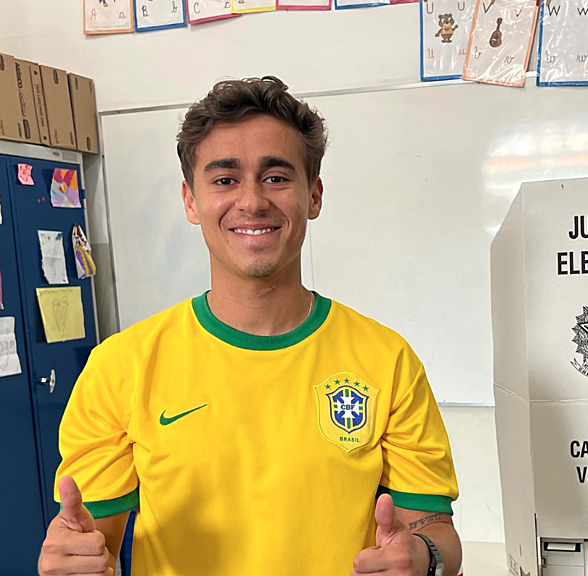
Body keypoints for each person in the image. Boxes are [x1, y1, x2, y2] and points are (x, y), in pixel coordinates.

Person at [38, 76, 461, 576]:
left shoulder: (387, 360)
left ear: (314, 196)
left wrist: (424, 556)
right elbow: (94, 544)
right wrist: (73, 561)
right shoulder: (120, 366)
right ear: (191, 200)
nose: (253, 201)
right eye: (224, 180)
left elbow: (435, 529)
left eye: (276, 177)